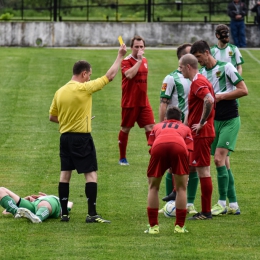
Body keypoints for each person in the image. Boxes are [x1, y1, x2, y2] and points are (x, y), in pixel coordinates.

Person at [49, 44, 127, 223]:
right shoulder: (84, 88)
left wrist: (72, 120)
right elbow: (110, 76)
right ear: (84, 74)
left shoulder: (60, 91)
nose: (89, 78)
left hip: (65, 138)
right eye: (89, 75)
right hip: (81, 138)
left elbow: (53, 117)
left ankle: (64, 214)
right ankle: (92, 214)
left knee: (65, 174)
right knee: (91, 174)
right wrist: (120, 56)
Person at [190, 40, 248, 216]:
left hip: (230, 119)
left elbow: (243, 90)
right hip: (213, 121)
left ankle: (222, 203)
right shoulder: (201, 74)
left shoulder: (226, 67)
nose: (198, 61)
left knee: (217, 159)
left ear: (207, 52)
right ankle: (234, 204)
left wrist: (222, 96)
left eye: (199, 56)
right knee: (224, 162)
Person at [158, 43, 199, 215]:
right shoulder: (171, 78)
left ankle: (189, 203)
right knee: (171, 166)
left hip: (194, 128)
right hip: (176, 128)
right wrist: (162, 128)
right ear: (183, 58)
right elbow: (163, 103)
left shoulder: (198, 77)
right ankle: (171, 203)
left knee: (193, 166)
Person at [144, 106, 193, 234]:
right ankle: (179, 227)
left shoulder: (157, 126)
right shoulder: (185, 128)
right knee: (181, 188)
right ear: (180, 120)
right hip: (179, 147)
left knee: (153, 187)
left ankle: (154, 227)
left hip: (159, 146)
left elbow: (151, 145)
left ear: (165, 118)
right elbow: (187, 151)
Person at [179, 53, 215, 220]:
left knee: (204, 171)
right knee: (193, 167)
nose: (180, 70)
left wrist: (201, 122)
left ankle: (206, 212)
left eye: (180, 67)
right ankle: (176, 195)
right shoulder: (197, 80)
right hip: (198, 133)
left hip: (202, 134)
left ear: (188, 67)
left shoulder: (198, 82)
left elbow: (209, 99)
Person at [118, 35, 155, 166]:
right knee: (126, 128)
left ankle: (154, 155)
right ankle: (122, 158)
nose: (139, 49)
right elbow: (129, 75)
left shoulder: (145, 60)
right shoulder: (126, 61)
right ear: (131, 47)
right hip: (130, 101)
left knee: (150, 127)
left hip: (144, 101)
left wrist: (141, 60)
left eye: (141, 47)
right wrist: (138, 61)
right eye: (136, 47)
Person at [0, 187, 73, 223]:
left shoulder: (55, 200)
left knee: (44, 203)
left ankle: (38, 217)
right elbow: (5, 212)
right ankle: (16, 212)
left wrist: (46, 197)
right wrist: (26, 199)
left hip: (49, 204)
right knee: (1, 189)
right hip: (32, 206)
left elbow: (70, 204)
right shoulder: (38, 201)